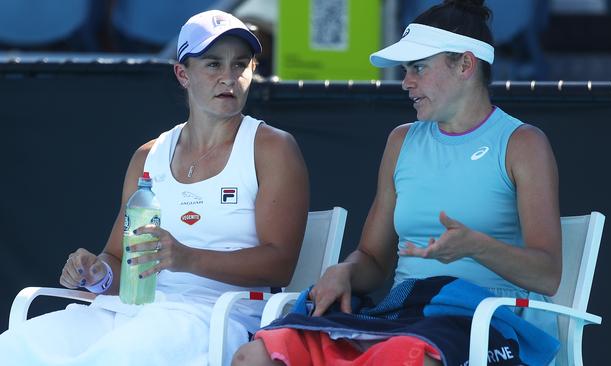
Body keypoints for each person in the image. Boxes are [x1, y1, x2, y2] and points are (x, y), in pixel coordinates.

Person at [232, 0, 561, 365]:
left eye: (418, 68)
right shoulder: (401, 140)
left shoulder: (523, 143)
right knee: (256, 356)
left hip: (487, 320)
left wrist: (477, 246)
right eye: (406, 70)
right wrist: (346, 271)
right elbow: (373, 258)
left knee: (402, 358)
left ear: (465, 64)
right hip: (408, 314)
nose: (406, 82)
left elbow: (546, 275)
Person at [0, 9, 309, 366]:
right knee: (14, 347)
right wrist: (95, 272)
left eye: (240, 65)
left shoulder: (274, 148)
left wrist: (187, 258)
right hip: (132, 311)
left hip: (218, 317)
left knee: (113, 357)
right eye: (213, 65)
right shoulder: (148, 156)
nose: (229, 77)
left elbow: (279, 265)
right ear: (183, 74)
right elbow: (118, 261)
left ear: (253, 71)